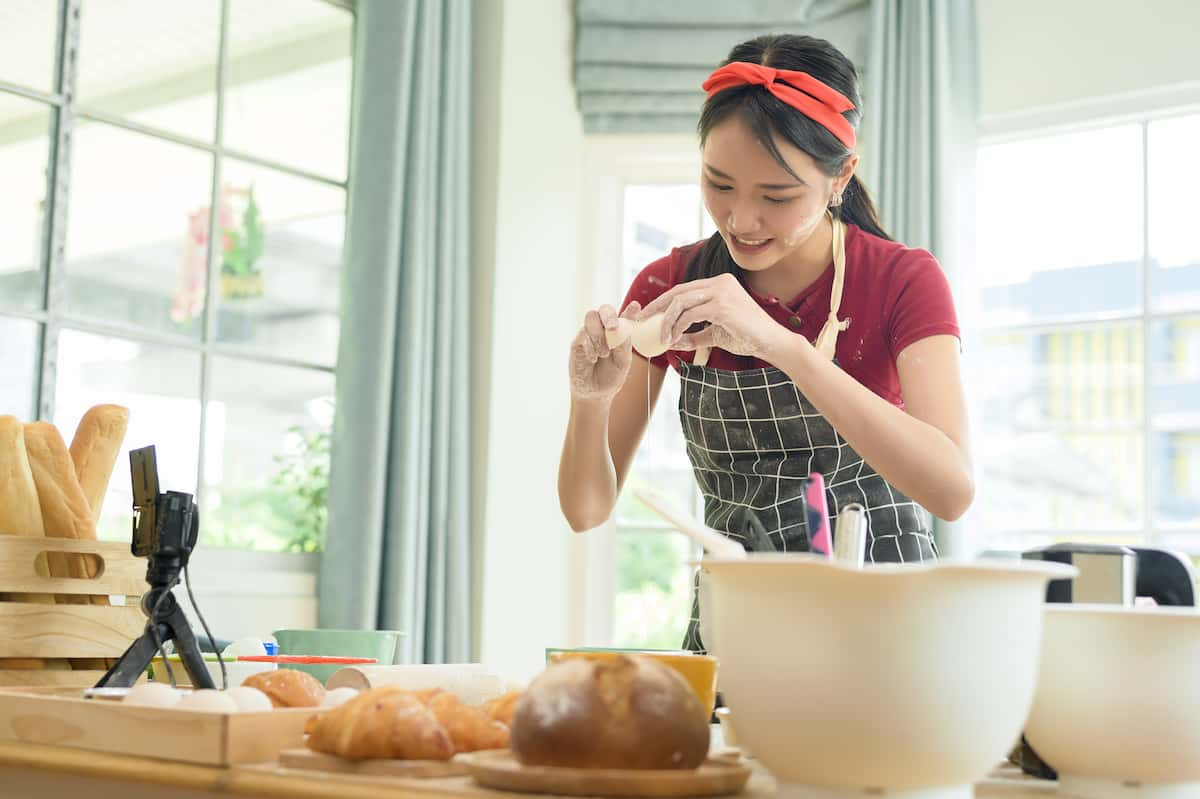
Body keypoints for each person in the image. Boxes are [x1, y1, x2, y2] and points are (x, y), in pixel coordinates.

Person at [558, 33, 974, 653]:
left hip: (888, 636)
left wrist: (782, 346)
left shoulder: (900, 280)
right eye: (718, 185)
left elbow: (951, 490)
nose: (741, 221)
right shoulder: (671, 287)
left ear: (841, 178)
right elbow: (586, 510)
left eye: (777, 197)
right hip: (737, 636)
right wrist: (589, 400)